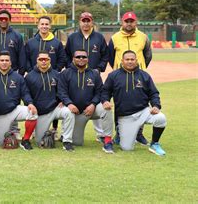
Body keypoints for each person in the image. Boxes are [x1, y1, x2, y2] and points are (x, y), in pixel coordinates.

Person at [102, 50, 167, 156]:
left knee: (161, 118)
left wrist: (156, 105)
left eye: (132, 59)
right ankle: (120, 133)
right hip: (125, 116)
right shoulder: (113, 76)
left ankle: (154, 144)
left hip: (143, 112)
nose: (130, 61)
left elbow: (154, 93)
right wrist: (105, 101)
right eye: (127, 59)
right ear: (122, 61)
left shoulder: (144, 75)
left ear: (136, 60)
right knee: (127, 148)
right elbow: (105, 91)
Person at [57, 49, 114, 153]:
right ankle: (65, 133)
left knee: (106, 109)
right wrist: (69, 104)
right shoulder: (65, 73)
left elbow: (99, 92)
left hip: (92, 109)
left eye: (84, 57)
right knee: (77, 142)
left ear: (88, 59)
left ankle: (107, 141)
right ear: (73, 59)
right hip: (76, 112)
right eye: (78, 57)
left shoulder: (94, 73)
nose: (81, 59)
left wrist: (93, 104)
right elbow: (61, 92)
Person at [108, 11, 152, 145]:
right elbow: (111, 57)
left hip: (139, 76)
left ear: (135, 22)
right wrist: (118, 69)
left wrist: (140, 68)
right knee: (119, 104)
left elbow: (148, 55)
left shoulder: (143, 37)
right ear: (122, 22)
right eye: (126, 21)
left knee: (142, 103)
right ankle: (119, 133)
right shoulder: (115, 37)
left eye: (131, 21)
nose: (129, 23)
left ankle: (139, 133)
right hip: (120, 76)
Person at [65, 12, 109, 143]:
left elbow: (105, 55)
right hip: (75, 74)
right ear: (79, 22)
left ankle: (101, 134)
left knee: (95, 101)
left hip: (93, 74)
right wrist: (70, 68)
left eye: (88, 21)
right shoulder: (72, 37)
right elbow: (66, 54)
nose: (86, 23)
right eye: (83, 21)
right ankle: (68, 130)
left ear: (92, 22)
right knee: (76, 97)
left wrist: (99, 68)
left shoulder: (99, 37)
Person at [24, 51, 75, 151]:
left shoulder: (57, 74)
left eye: (46, 59)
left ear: (50, 60)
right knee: (39, 141)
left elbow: (62, 90)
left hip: (55, 108)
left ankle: (67, 141)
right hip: (40, 112)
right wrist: (30, 103)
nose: (43, 61)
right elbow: (26, 93)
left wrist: (62, 100)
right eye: (41, 59)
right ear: (37, 60)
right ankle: (44, 133)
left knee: (69, 112)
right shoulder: (29, 76)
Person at [0, 10, 26, 140]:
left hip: (13, 73)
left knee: (14, 101)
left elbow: (21, 54)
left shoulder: (16, 36)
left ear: (9, 20)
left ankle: (15, 129)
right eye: (1, 18)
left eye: (6, 19)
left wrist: (20, 72)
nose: (3, 21)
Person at [0, 51, 38, 149]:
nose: (4, 62)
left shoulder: (18, 77)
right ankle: (7, 133)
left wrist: (30, 103)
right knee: (1, 142)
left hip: (15, 109)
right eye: (2, 60)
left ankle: (25, 140)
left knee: (32, 113)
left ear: (11, 63)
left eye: (7, 60)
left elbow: (25, 93)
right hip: (0, 114)